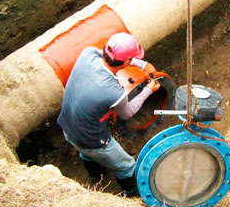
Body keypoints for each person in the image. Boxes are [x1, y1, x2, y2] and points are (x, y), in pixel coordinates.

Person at [58, 32, 161, 196]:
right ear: (126, 62)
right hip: (91, 139)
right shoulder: (112, 91)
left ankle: (96, 175)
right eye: (131, 60)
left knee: (85, 153)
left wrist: (142, 65)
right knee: (127, 165)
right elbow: (127, 113)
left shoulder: (87, 53)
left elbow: (113, 58)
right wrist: (149, 89)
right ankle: (131, 193)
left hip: (67, 127)